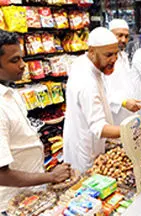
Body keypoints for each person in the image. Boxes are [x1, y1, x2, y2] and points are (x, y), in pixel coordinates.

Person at [0, 29, 71, 213]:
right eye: (14, 60)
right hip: (11, 204)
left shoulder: (10, 92)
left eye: (22, 58)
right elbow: (1, 175)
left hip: (29, 196)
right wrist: (50, 177)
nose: (23, 65)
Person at [63, 27, 141, 173]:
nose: (114, 59)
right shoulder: (86, 81)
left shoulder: (88, 64)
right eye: (108, 55)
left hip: (91, 141)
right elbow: (99, 127)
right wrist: (133, 132)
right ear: (91, 52)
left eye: (116, 53)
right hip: (85, 147)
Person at [103, 19, 141, 125]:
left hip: (128, 114)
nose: (124, 40)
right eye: (119, 35)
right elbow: (102, 93)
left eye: (126, 36)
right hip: (113, 116)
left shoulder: (123, 56)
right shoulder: (102, 61)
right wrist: (122, 102)